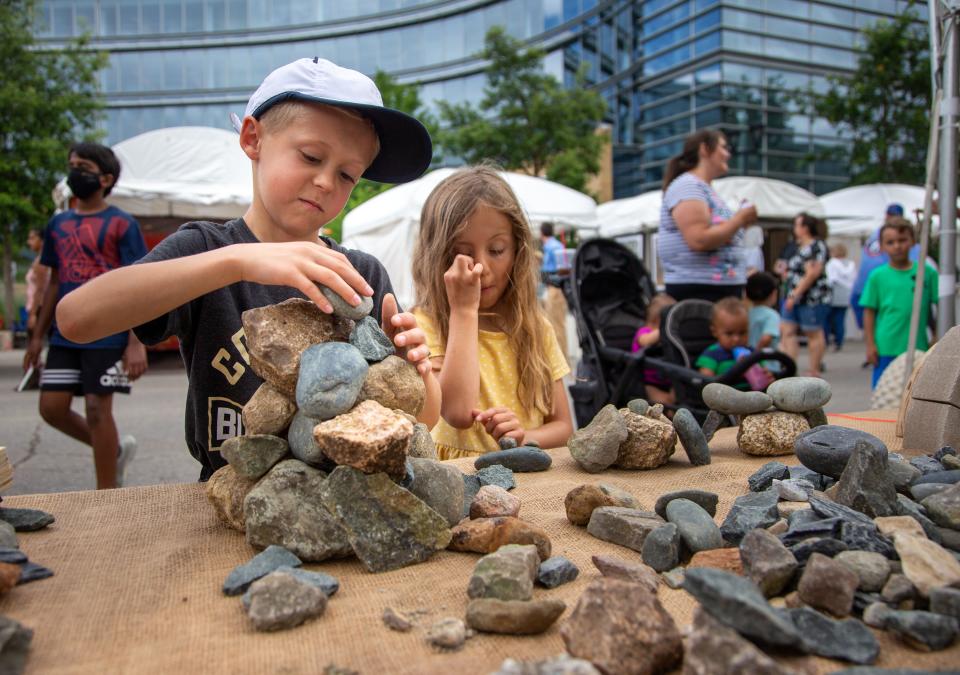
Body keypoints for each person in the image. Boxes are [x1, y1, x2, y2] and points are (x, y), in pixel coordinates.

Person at [54, 58, 440, 482]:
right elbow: (76, 318)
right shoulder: (206, 249)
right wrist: (238, 261)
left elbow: (428, 417)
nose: (327, 182)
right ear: (253, 138)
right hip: (228, 491)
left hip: (339, 495)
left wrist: (412, 370)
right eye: (311, 156)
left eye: (348, 175)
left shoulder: (360, 273)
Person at [411, 165, 573, 459]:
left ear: (518, 251)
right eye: (461, 253)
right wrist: (463, 310)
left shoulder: (536, 328)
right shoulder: (426, 323)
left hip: (527, 481)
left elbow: (563, 427)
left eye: (497, 249)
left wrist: (526, 438)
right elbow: (457, 412)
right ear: (436, 256)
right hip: (458, 481)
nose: (481, 267)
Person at [22, 143, 148, 489]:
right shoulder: (58, 224)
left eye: (84, 166)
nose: (75, 171)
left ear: (106, 178)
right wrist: (36, 336)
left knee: (97, 409)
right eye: (72, 164)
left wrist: (136, 342)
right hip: (64, 333)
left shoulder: (123, 224)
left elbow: (139, 283)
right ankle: (114, 450)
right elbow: (54, 282)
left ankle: (106, 495)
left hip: (109, 332)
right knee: (51, 408)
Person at [657, 129, 758, 302]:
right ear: (704, 149)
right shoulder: (688, 186)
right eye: (724, 148)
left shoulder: (704, 189)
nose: (728, 155)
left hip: (715, 294)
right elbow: (699, 239)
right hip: (700, 294)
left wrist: (740, 224)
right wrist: (739, 219)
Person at [860, 218, 937, 388]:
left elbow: (938, 306)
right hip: (885, 347)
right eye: (890, 242)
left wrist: (937, 335)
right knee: (884, 391)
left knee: (917, 392)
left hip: (918, 346)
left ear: (912, 242)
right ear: (882, 246)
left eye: (902, 240)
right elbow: (869, 311)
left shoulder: (927, 273)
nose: (897, 246)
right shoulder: (877, 276)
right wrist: (870, 344)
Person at [850, 203, 920, 329]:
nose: (896, 246)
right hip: (868, 290)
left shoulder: (889, 234)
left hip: (885, 292)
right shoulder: (880, 234)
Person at [779, 213, 831, 377]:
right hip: (791, 295)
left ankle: (814, 370)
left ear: (805, 227)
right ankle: (790, 369)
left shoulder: (817, 246)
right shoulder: (795, 246)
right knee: (787, 330)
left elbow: (812, 274)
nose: (795, 229)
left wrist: (794, 295)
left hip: (811, 298)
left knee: (812, 332)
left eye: (797, 225)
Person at [695, 297, 752, 389]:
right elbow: (707, 383)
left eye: (742, 333)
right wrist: (737, 369)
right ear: (715, 332)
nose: (736, 339)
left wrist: (765, 374)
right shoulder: (711, 355)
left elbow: (765, 372)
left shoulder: (752, 353)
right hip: (724, 399)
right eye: (729, 333)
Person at [631, 293, 676, 406]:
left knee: (676, 399)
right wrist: (665, 330)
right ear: (657, 320)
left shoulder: (671, 336)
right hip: (648, 382)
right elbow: (644, 341)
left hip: (669, 380)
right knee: (663, 402)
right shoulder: (644, 332)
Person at [539, 222, 569, 362]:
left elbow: (552, 270)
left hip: (555, 290)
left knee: (556, 326)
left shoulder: (551, 246)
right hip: (556, 289)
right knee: (556, 324)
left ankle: (560, 361)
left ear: (541, 233)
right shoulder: (556, 245)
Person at [823, 242, 856, 351]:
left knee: (827, 319)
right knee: (840, 320)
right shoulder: (851, 264)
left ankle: (826, 341)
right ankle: (839, 341)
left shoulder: (832, 263)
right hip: (846, 295)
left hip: (833, 294)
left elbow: (831, 279)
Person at [24, 228, 51, 338]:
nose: (29, 242)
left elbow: (40, 290)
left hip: (39, 308)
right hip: (38, 308)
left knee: (33, 346)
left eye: (32, 238)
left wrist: (33, 315)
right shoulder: (41, 260)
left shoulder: (41, 262)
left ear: (42, 241)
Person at [745, 271, 781, 352]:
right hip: (766, 361)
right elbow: (766, 338)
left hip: (745, 360)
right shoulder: (772, 315)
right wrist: (755, 355)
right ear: (774, 293)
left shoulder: (746, 314)